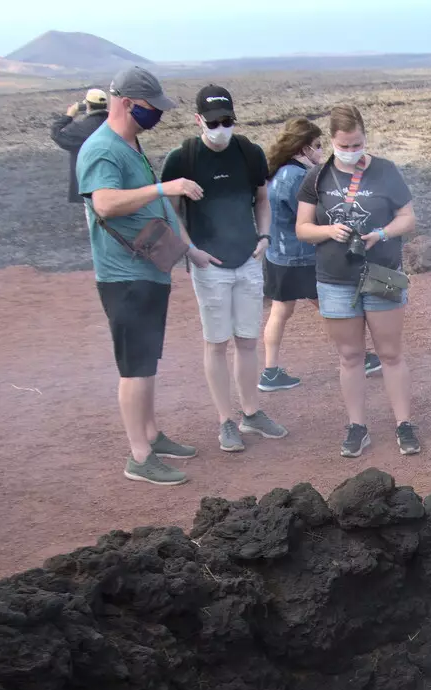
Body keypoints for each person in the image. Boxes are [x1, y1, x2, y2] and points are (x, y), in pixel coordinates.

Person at [79, 66, 202, 486]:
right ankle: (139, 456)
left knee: (147, 361)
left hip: (147, 269)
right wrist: (163, 188)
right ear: (128, 103)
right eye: (153, 107)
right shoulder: (102, 149)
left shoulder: (129, 145)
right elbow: (106, 204)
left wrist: (189, 250)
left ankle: (152, 434)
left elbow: (154, 208)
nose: (159, 115)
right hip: (123, 275)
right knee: (134, 366)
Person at [161, 85, 287, 454]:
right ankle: (225, 420)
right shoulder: (182, 158)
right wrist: (191, 250)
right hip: (209, 264)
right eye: (214, 121)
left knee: (247, 341)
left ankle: (251, 412)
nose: (221, 127)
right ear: (199, 119)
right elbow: (171, 210)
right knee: (216, 343)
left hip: (247, 259)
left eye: (227, 120)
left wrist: (264, 236)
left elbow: (261, 198)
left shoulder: (249, 152)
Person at [295, 102, 421, 459]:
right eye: (344, 145)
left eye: (356, 144)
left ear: (365, 137)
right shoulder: (316, 177)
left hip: (382, 272)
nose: (351, 152)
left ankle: (404, 424)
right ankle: (357, 426)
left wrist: (380, 234)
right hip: (335, 278)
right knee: (350, 355)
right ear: (332, 140)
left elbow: (408, 219)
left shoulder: (385, 171)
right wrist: (328, 230)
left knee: (391, 353)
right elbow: (302, 229)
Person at [258, 118, 321, 392]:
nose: (321, 152)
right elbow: (308, 219)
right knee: (333, 307)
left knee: (280, 311)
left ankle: (270, 371)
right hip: (302, 257)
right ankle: (358, 356)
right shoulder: (298, 177)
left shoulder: (277, 172)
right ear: (304, 148)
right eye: (318, 146)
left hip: (277, 255)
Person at [50, 88, 109, 205]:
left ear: (87, 105)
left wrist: (69, 116)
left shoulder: (79, 129)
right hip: (111, 179)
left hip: (88, 183)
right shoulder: (113, 124)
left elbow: (55, 133)